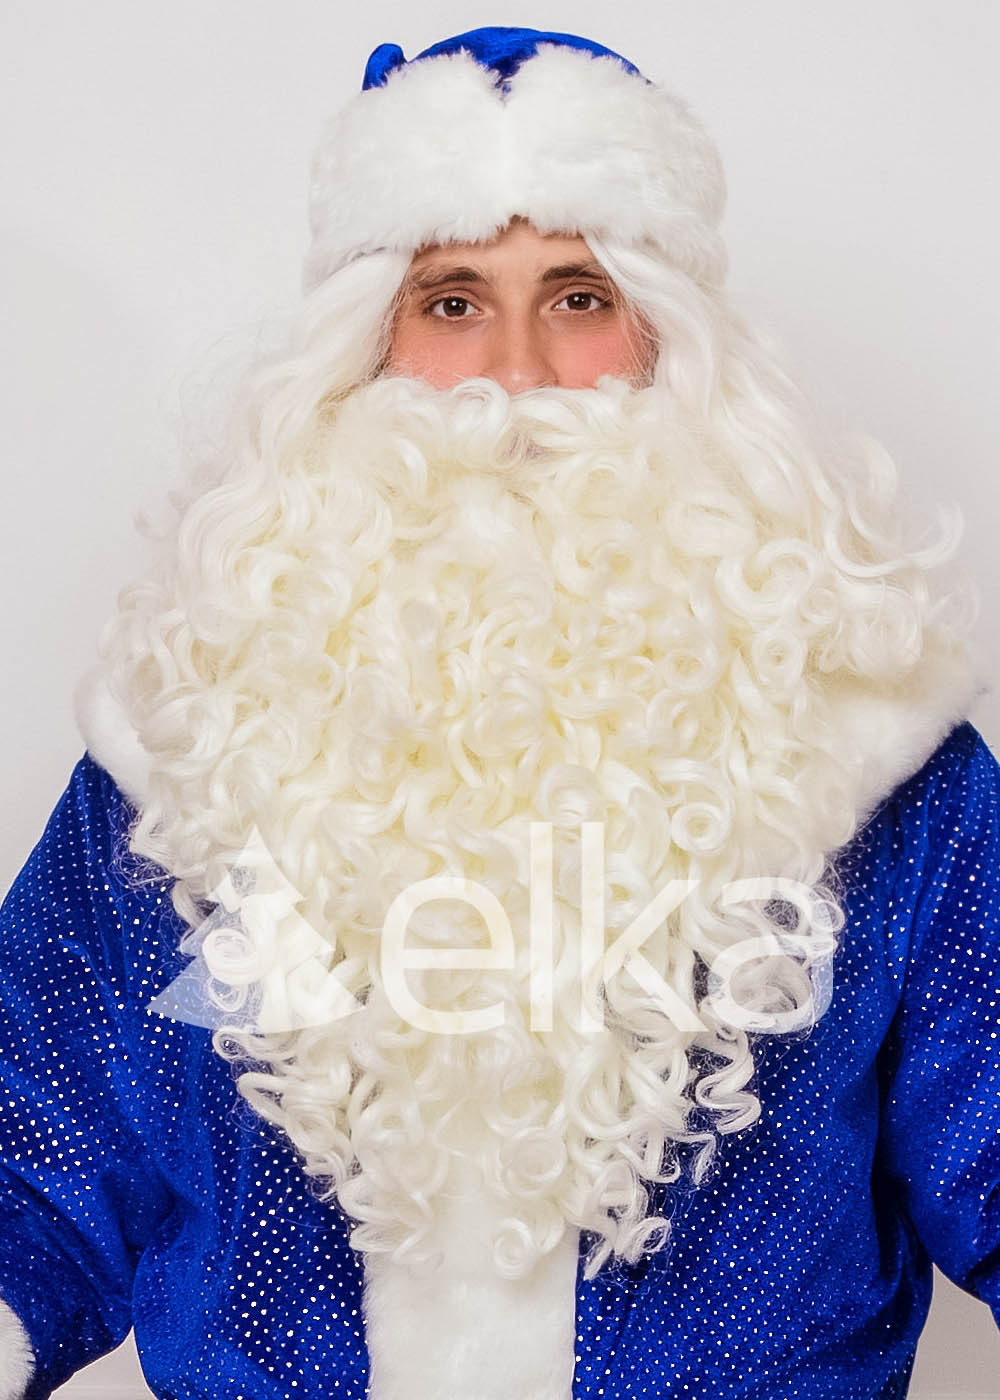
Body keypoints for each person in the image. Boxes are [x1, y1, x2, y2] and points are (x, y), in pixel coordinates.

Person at [0, 25, 997, 1400]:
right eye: (454, 300)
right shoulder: (192, 751)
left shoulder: (873, 755)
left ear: (666, 337)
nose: (516, 373)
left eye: (579, 297)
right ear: (367, 345)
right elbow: (34, 1155)